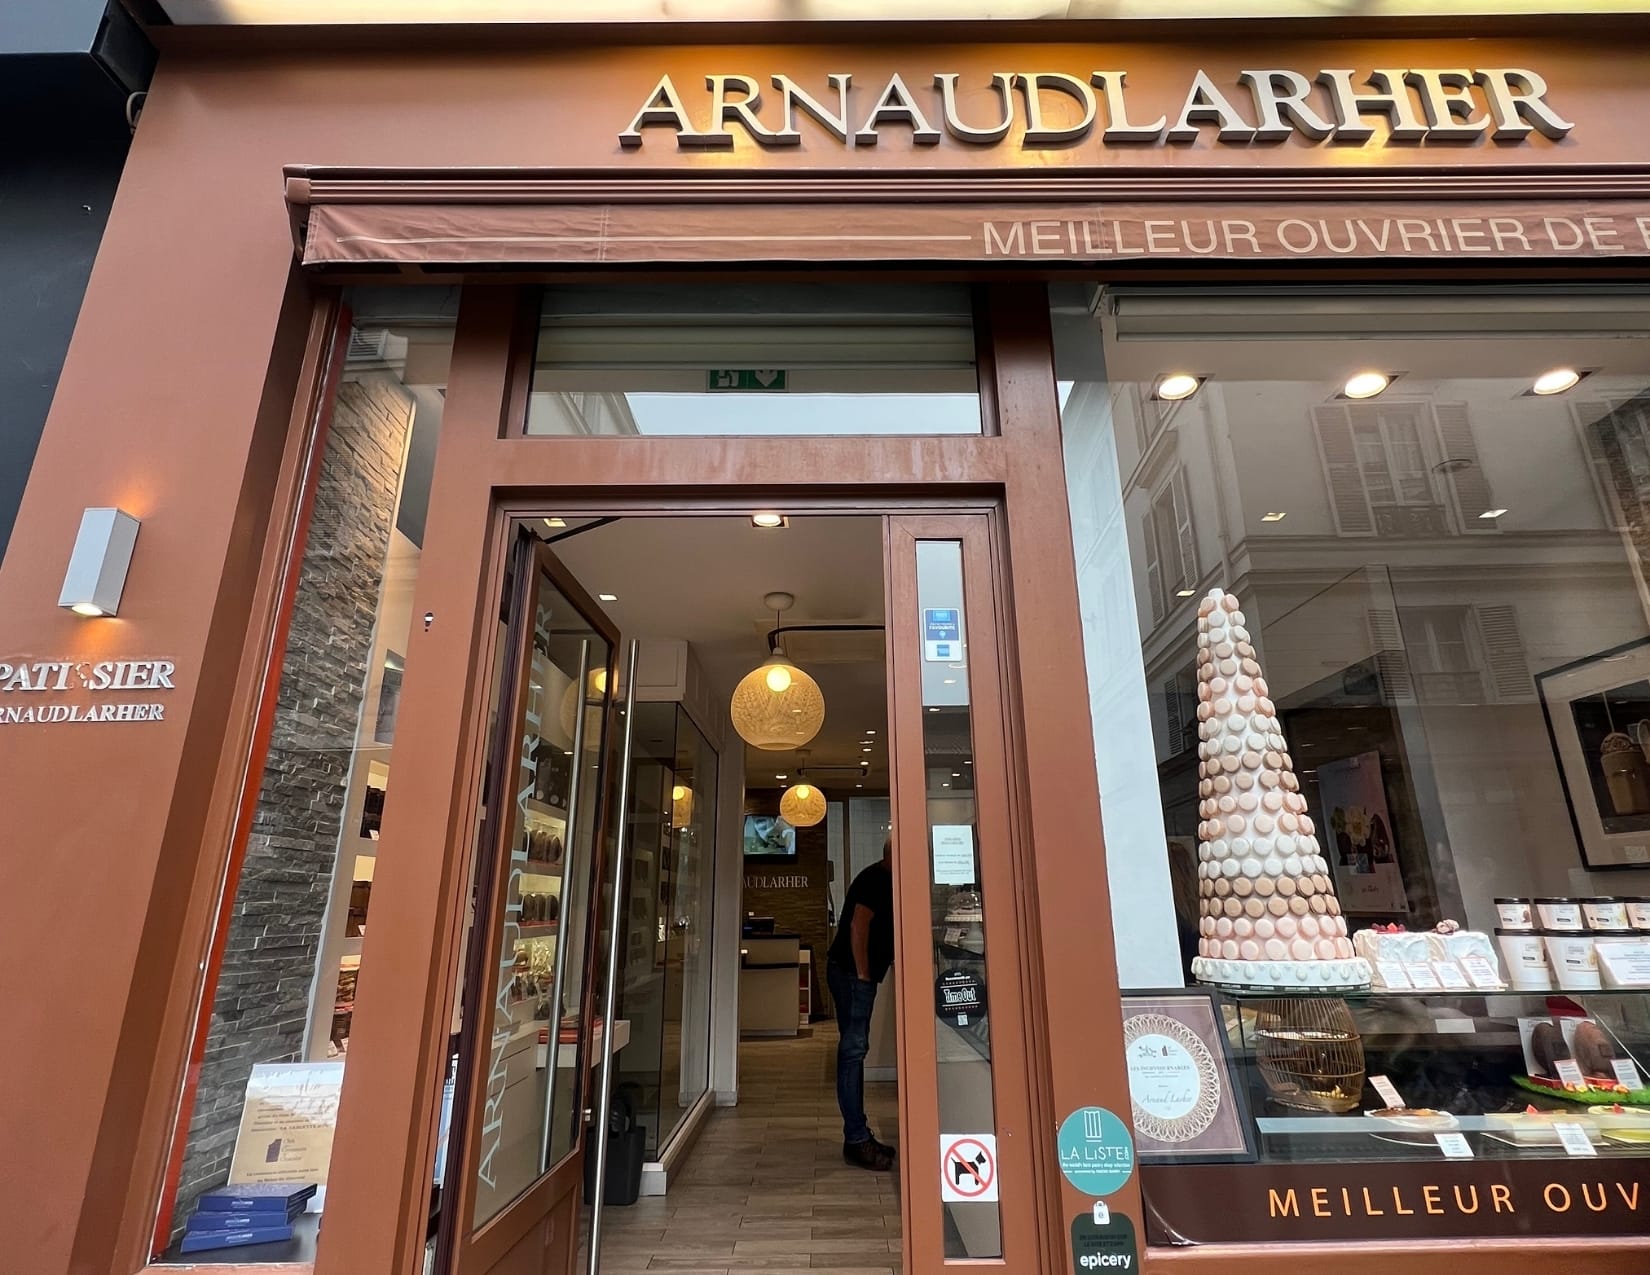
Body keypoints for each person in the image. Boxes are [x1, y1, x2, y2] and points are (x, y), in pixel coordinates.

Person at [826, 835, 897, 1171]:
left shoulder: (885, 879)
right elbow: (858, 926)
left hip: (850, 974)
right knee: (853, 1051)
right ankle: (856, 1139)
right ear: (892, 856)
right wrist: (865, 975)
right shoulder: (876, 880)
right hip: (851, 976)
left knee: (854, 1051)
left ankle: (857, 1135)